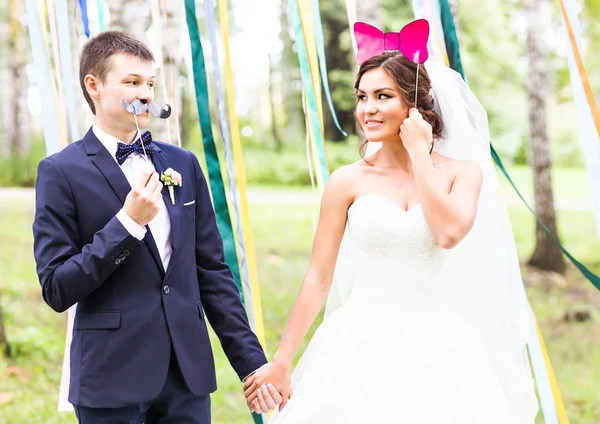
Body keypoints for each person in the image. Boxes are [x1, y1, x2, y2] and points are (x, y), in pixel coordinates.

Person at [242, 50, 539, 423]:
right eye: (362, 97)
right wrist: (282, 361)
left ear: (415, 106)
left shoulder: (463, 173)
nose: (367, 108)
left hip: (439, 345)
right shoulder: (347, 180)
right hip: (360, 342)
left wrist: (419, 153)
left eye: (383, 96)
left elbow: (448, 233)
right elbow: (318, 276)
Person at [32, 31, 282, 423]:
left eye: (150, 83)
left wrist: (251, 363)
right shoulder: (61, 172)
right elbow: (57, 287)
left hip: (187, 377)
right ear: (93, 86)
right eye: (132, 82)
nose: (146, 94)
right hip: (111, 378)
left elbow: (212, 272)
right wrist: (127, 224)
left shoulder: (182, 164)